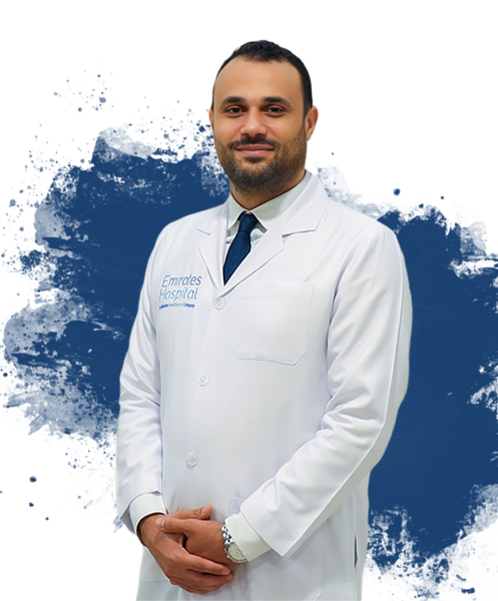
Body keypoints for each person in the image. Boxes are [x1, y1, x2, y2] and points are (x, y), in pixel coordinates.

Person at [116, 40, 412, 600]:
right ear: (212, 121)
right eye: (235, 109)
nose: (253, 125)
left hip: (293, 573)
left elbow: (361, 420)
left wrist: (238, 538)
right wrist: (148, 519)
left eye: (274, 109)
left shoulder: (362, 247)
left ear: (309, 121)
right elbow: (140, 396)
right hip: (171, 568)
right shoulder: (175, 242)